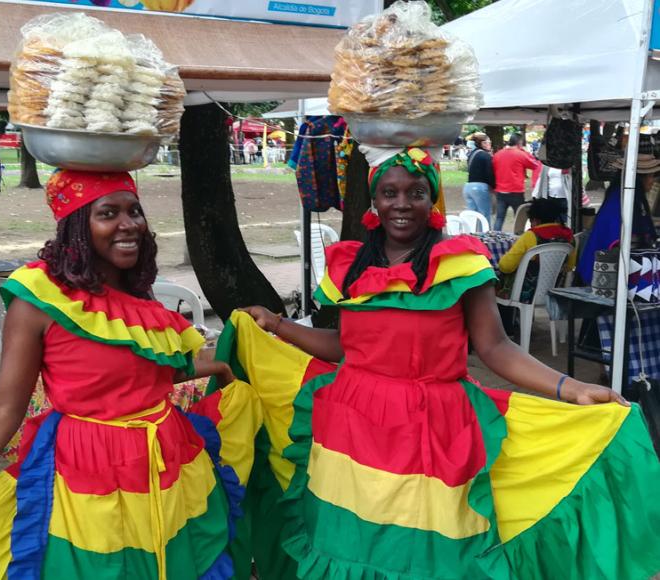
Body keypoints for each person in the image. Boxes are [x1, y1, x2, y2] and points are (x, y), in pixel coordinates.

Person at [220, 147, 660, 578]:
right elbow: (347, 346)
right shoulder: (351, 266)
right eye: (389, 193)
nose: (402, 204)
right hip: (350, 427)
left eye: (416, 192)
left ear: (432, 200)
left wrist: (571, 388)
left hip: (433, 430)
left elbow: (496, 348)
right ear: (374, 201)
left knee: (430, 553)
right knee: (349, 539)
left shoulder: (460, 264)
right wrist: (277, 325)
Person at [0, 170, 262, 579]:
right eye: (108, 213)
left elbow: (143, 374)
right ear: (78, 226)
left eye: (134, 211)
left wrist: (218, 363)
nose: (128, 224)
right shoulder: (39, 301)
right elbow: (5, 407)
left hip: (172, 468)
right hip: (89, 476)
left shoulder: (141, 299)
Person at [578, 154, 659, 284]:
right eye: (651, 176)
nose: (653, 181)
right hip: (602, 277)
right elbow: (622, 243)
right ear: (639, 178)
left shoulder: (623, 197)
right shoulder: (620, 203)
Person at [497, 197, 575, 310]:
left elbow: (505, 266)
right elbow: (570, 266)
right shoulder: (568, 236)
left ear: (536, 220)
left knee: (494, 280)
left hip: (525, 294)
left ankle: (509, 323)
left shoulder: (531, 236)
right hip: (555, 290)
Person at [492, 133, 540, 231]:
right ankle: (518, 237)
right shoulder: (520, 154)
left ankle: (495, 236)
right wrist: (524, 151)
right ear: (519, 143)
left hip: (500, 191)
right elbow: (535, 165)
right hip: (516, 191)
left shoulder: (497, 154)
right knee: (519, 218)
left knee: (499, 218)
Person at [462, 132, 494, 226]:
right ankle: (486, 237)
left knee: (473, 216)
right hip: (480, 187)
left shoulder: (472, 154)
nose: (490, 144)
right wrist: (494, 186)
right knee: (484, 215)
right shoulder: (485, 155)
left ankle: (472, 235)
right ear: (483, 143)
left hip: (468, 187)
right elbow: (489, 173)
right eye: (489, 142)